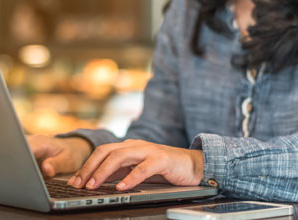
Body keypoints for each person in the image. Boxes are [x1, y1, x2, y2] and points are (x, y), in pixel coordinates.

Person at [27, 0, 298, 202]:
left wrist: (198, 164)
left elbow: (183, 159)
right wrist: (86, 152)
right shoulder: (186, 13)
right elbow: (159, 136)